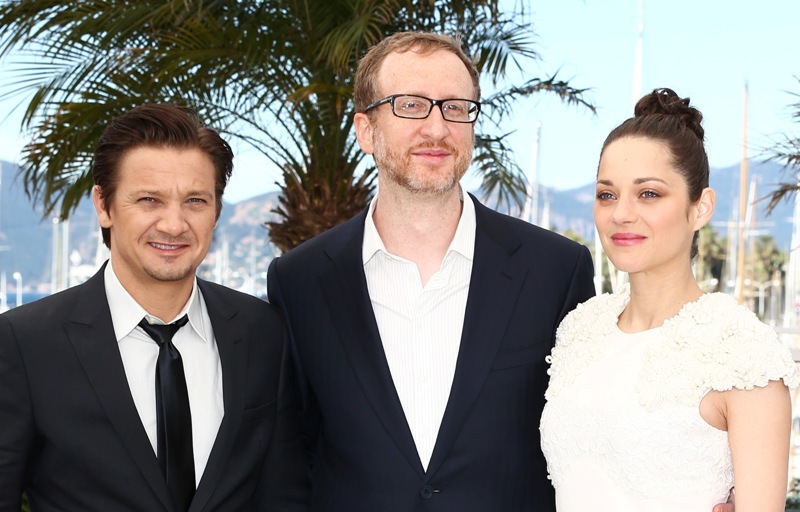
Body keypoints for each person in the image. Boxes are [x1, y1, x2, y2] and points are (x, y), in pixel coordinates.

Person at [266, 31, 595, 511]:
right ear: (365, 130)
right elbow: (287, 460)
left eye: (456, 107)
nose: (437, 128)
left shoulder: (555, 270)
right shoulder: (300, 281)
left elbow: (590, 443)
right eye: (411, 105)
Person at [0, 104, 310, 511]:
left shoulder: (264, 331)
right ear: (103, 206)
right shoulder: (24, 343)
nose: (174, 224)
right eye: (149, 200)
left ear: (216, 211)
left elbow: (284, 496)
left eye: (195, 200)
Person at [540, 88, 799, 512]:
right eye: (607, 194)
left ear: (701, 207)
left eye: (649, 194)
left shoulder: (742, 353)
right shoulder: (578, 330)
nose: (621, 214)